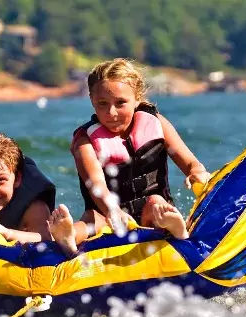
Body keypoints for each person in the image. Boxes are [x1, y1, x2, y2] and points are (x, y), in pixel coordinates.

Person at [48, 58, 211, 255]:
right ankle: (69, 236)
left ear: (137, 98)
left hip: (152, 212)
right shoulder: (85, 140)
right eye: (102, 104)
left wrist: (196, 173)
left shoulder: (155, 123)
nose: (111, 112)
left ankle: (174, 228)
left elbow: (189, 162)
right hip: (108, 216)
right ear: (91, 100)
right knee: (92, 218)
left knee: (155, 202)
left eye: (120, 103)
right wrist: (112, 211)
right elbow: (96, 183)